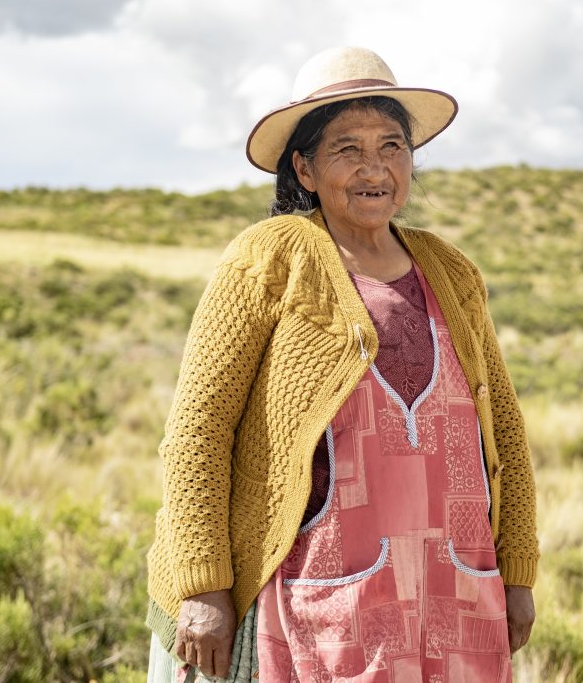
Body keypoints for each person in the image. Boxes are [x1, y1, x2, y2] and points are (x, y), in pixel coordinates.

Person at [145, 46, 538, 682]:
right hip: (321, 597)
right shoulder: (269, 259)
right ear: (303, 167)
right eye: (347, 149)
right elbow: (199, 427)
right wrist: (201, 583)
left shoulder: (452, 272)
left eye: (391, 146)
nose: (374, 167)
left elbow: (505, 438)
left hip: (453, 597)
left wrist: (516, 571)